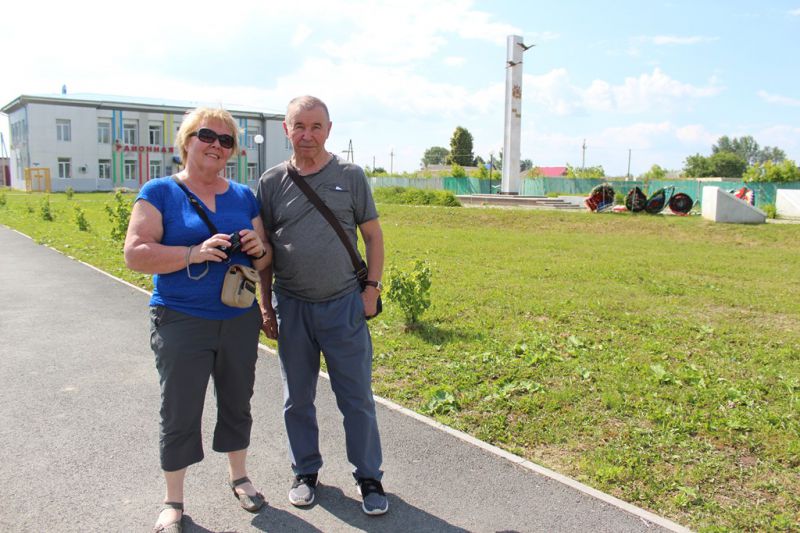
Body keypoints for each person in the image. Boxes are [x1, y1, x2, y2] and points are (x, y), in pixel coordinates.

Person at [124, 107, 272, 532]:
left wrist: (258, 248)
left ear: (233, 152)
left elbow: (266, 258)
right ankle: (173, 500)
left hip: (238, 318)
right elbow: (135, 253)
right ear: (187, 141)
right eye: (207, 135)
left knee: (238, 400)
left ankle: (239, 477)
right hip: (181, 318)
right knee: (180, 408)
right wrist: (194, 252)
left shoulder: (243, 196)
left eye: (226, 140)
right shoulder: (160, 192)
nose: (216, 146)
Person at [256, 95, 388, 515]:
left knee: (356, 399)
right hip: (292, 306)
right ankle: (305, 471)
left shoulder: (350, 176)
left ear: (329, 130)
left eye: (316, 126)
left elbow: (373, 237)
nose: (307, 134)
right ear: (286, 129)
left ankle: (369, 477)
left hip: (344, 305)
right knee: (297, 398)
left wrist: (371, 291)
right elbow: (264, 251)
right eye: (299, 125)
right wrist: (266, 305)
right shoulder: (271, 182)